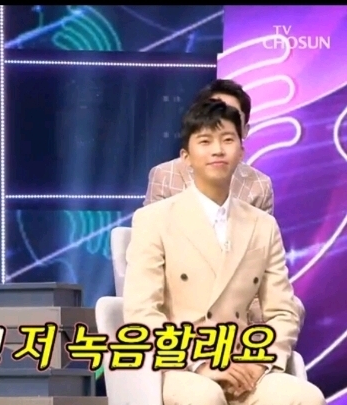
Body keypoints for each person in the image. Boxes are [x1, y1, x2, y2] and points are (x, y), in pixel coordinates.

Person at [123, 99, 325, 405]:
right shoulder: (154, 220)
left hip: (244, 363)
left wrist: (259, 362)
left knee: (305, 396)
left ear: (241, 152)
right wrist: (200, 363)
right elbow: (141, 312)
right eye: (205, 141)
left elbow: (282, 311)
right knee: (204, 396)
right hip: (179, 365)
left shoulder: (262, 225)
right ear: (186, 157)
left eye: (228, 140)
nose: (218, 150)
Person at [144, 79, 304, 326]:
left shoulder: (259, 190)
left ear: (243, 134)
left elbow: (259, 272)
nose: (217, 148)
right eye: (212, 114)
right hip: (179, 313)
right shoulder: (164, 179)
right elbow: (150, 269)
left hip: (237, 310)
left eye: (229, 124)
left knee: (288, 312)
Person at [145, 79, 273, 214]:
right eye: (214, 113)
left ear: (245, 130)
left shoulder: (259, 185)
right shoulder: (165, 176)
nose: (222, 120)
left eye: (232, 115)